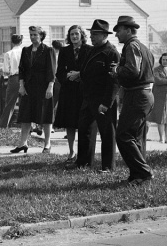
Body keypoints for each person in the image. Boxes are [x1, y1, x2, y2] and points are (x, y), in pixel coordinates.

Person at [111, 16, 155, 186]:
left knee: (123, 135)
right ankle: (137, 175)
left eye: (119, 30)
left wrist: (116, 70)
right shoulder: (144, 48)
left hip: (137, 96)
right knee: (134, 137)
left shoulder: (131, 46)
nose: (116, 35)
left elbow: (132, 71)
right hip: (143, 95)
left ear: (128, 30)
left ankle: (144, 172)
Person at [73, 20, 120, 172]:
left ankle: (108, 166)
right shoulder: (92, 50)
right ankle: (83, 162)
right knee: (85, 130)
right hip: (88, 97)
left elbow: (114, 81)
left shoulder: (111, 52)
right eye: (91, 34)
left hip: (103, 99)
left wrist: (107, 102)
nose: (92, 37)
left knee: (107, 133)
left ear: (105, 35)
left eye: (95, 34)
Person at [12, 26, 54, 153]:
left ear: (41, 35)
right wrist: (21, 85)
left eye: (35, 34)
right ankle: (22, 143)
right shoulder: (26, 50)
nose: (32, 37)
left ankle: (47, 144)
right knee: (25, 115)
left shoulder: (48, 50)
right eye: (31, 34)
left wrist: (50, 86)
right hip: (28, 87)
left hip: (43, 87)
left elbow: (51, 70)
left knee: (45, 116)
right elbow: (22, 69)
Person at [54, 25, 91, 160]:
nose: (74, 37)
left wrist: (79, 75)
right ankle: (71, 151)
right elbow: (59, 72)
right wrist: (68, 76)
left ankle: (83, 152)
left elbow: (91, 69)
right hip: (68, 90)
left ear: (82, 35)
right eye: (71, 35)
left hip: (83, 90)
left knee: (82, 122)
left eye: (76, 34)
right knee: (69, 122)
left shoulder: (89, 50)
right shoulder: (64, 51)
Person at [0, 33, 24, 128]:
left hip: (14, 78)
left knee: (10, 103)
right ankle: (28, 126)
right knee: (25, 103)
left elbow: (5, 70)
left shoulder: (8, 54)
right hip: (24, 79)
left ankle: (3, 125)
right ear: (21, 42)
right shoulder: (25, 52)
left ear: (12, 42)